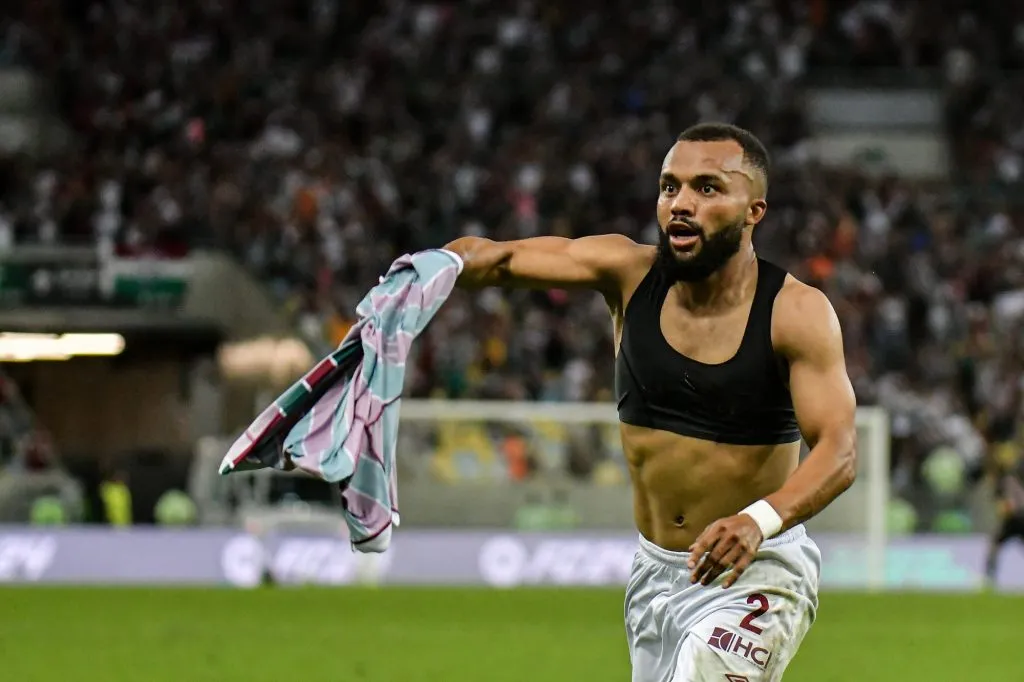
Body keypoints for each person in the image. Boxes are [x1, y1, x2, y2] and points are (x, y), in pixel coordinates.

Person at [442, 122, 857, 682]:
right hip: (655, 574)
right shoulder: (626, 273)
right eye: (670, 187)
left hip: (755, 573)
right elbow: (497, 260)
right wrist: (429, 270)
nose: (681, 204)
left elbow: (839, 452)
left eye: (708, 188)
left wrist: (757, 521)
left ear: (753, 210)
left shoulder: (796, 314)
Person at [984, 454, 1024, 588]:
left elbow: (1003, 504)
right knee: (996, 545)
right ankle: (989, 577)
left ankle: (989, 578)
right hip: (1016, 519)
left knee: (996, 546)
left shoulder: (1006, 479)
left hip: (1013, 519)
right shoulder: (1010, 478)